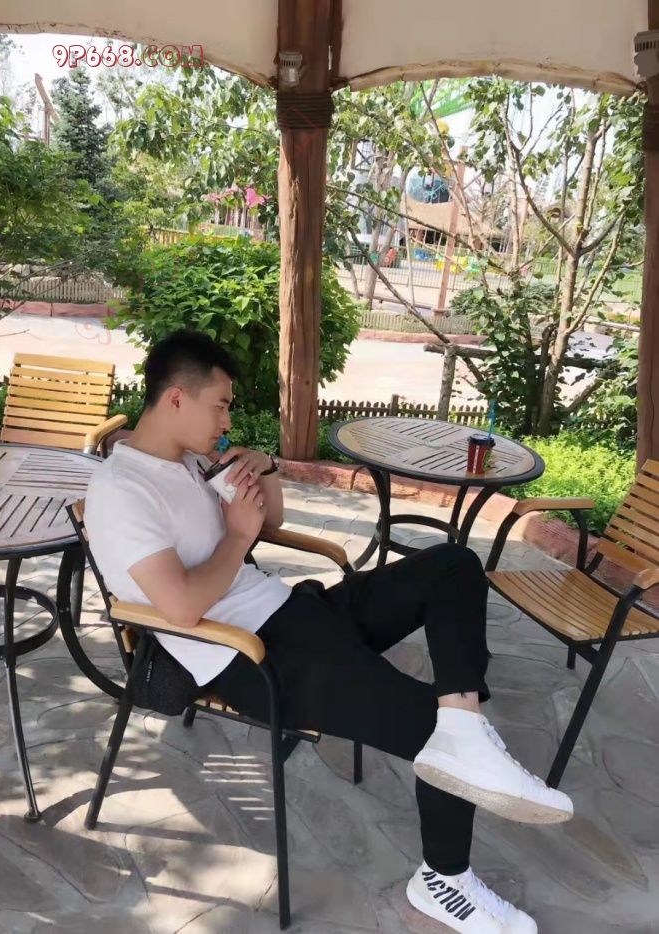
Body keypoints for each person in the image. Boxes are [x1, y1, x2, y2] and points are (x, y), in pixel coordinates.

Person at [85, 329, 573, 934]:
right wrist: (236, 535)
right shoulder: (121, 492)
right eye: (222, 405)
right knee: (430, 728)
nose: (228, 419)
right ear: (177, 399)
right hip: (248, 657)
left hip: (294, 612)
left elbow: (271, 520)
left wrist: (262, 471)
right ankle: (444, 881)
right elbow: (181, 606)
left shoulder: (189, 462)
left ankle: (465, 726)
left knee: (452, 565)